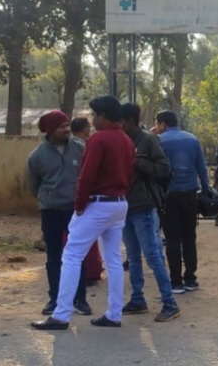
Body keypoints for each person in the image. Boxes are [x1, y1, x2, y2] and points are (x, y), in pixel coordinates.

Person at [31, 96, 135, 330]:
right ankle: (114, 314)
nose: (93, 120)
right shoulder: (126, 139)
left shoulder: (98, 139)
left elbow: (87, 176)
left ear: (104, 116)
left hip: (98, 203)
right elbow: (130, 174)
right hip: (119, 202)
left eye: (95, 115)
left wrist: (79, 206)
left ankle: (61, 315)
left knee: (71, 255)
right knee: (113, 259)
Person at [27, 111, 92, 317]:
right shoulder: (37, 156)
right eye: (61, 126)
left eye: (67, 125)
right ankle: (54, 299)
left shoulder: (80, 148)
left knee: (78, 255)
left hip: (76, 210)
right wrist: (47, 199)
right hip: (51, 211)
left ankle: (80, 299)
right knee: (53, 255)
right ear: (50, 130)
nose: (66, 130)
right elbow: (34, 185)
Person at [120, 104, 180, 322]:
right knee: (133, 257)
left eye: (121, 121)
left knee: (153, 256)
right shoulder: (122, 140)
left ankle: (170, 303)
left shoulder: (148, 140)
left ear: (130, 120)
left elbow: (164, 169)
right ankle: (137, 299)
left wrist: (137, 161)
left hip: (144, 207)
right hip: (125, 207)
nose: (118, 125)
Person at [154, 110, 210, 294]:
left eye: (157, 124)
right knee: (189, 237)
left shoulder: (159, 141)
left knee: (172, 239)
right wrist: (206, 188)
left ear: (163, 124)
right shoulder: (192, 139)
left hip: (169, 195)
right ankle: (191, 278)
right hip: (190, 194)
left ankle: (176, 281)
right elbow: (202, 167)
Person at [70, 116, 103, 285]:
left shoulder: (72, 146)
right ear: (84, 129)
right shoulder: (84, 146)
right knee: (87, 237)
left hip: (72, 196)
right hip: (84, 196)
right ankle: (90, 270)